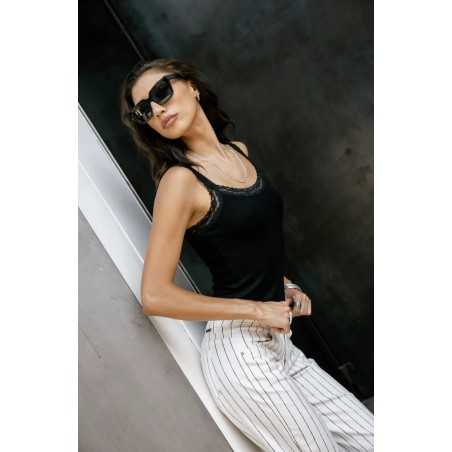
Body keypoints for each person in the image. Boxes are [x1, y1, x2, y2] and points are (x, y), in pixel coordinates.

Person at [120, 58, 374, 451]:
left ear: (192, 86)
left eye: (161, 92)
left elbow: (248, 243)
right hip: (240, 354)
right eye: (144, 110)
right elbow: (154, 295)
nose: (156, 109)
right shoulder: (180, 182)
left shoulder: (238, 152)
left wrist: (284, 284)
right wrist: (258, 309)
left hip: (280, 345)